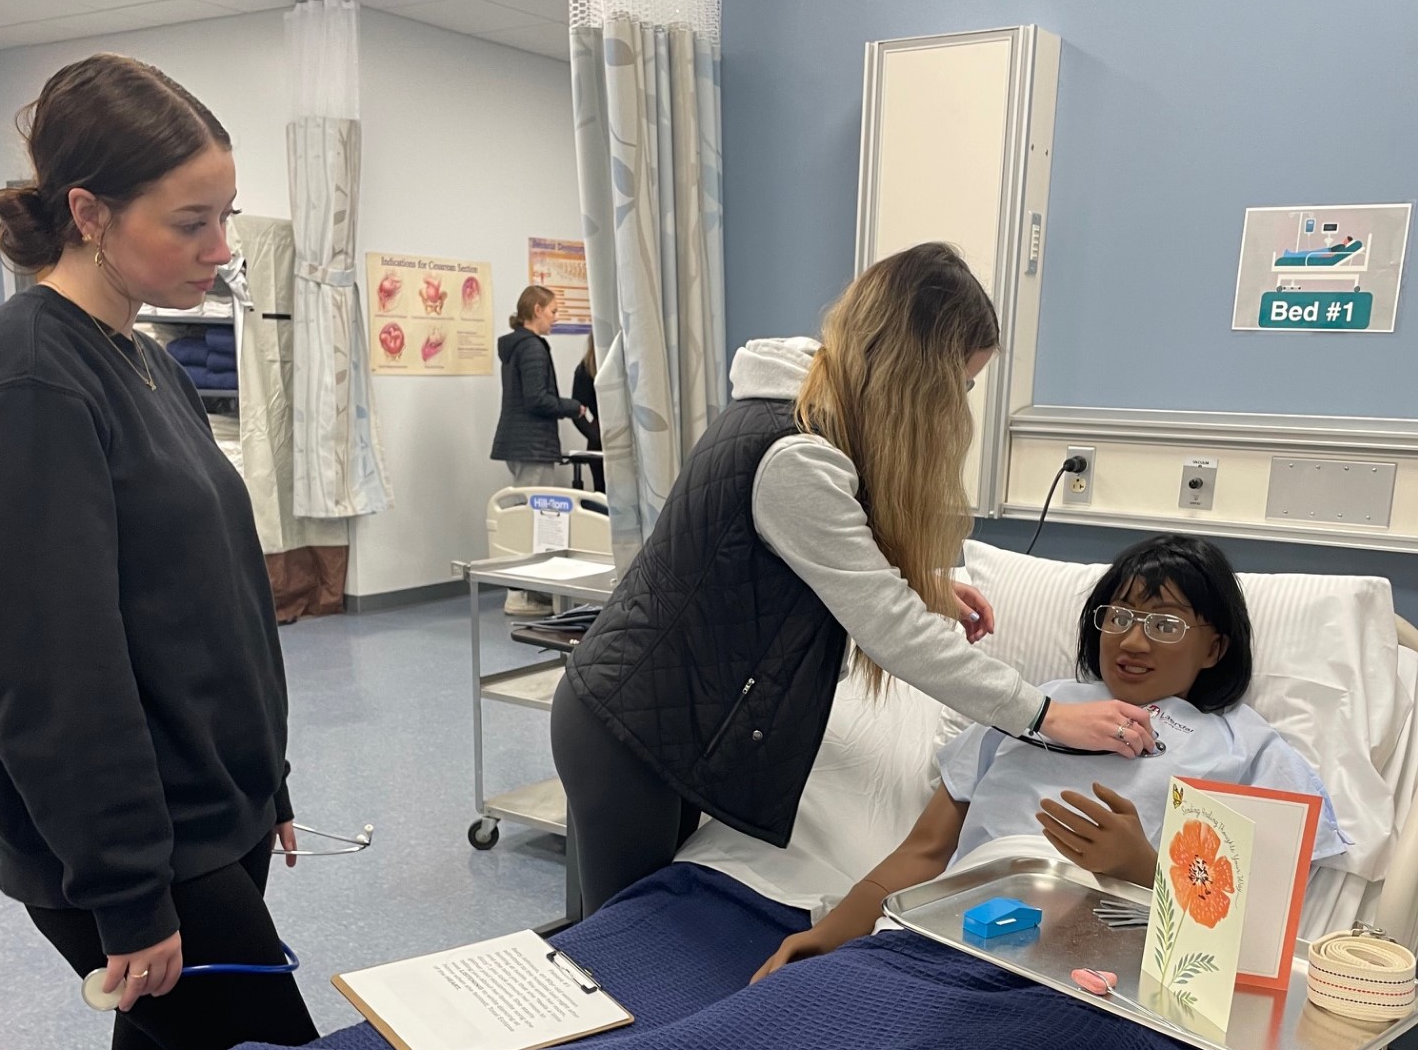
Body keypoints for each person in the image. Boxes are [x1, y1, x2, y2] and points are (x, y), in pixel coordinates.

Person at [552, 243, 1154, 915]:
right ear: (917, 374)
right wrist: (1048, 715)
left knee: (619, 932)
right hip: (632, 729)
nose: (959, 405)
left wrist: (924, 586)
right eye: (962, 384)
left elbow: (809, 562)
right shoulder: (796, 456)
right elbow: (892, 632)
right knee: (613, 947)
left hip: (654, 716)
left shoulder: (797, 415)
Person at [0, 53, 318, 1050]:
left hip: (211, 813)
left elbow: (201, 598)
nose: (220, 253)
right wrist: (128, 898)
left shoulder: (146, 358)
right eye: (190, 223)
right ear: (88, 211)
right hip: (140, 851)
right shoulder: (30, 377)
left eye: (228, 218)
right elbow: (47, 672)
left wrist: (268, 783)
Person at [752, 534, 1345, 978]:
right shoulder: (1031, 708)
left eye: (1165, 624)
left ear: (1215, 646)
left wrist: (1140, 867)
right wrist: (829, 935)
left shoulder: (1245, 746)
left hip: (1097, 970)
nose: (1133, 641)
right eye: (1120, 617)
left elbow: (1260, 935)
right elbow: (926, 851)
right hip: (943, 942)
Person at [492, 283, 591, 615]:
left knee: (528, 516)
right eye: (552, 311)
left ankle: (530, 593)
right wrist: (572, 406)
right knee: (534, 521)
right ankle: (521, 595)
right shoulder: (532, 347)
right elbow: (537, 399)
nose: (555, 318)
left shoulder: (515, 347)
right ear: (536, 310)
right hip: (532, 444)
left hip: (519, 443)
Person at [570, 334, 604, 492]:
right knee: (602, 492)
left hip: (625, 434)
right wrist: (595, 436)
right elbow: (576, 410)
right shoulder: (586, 368)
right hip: (601, 437)